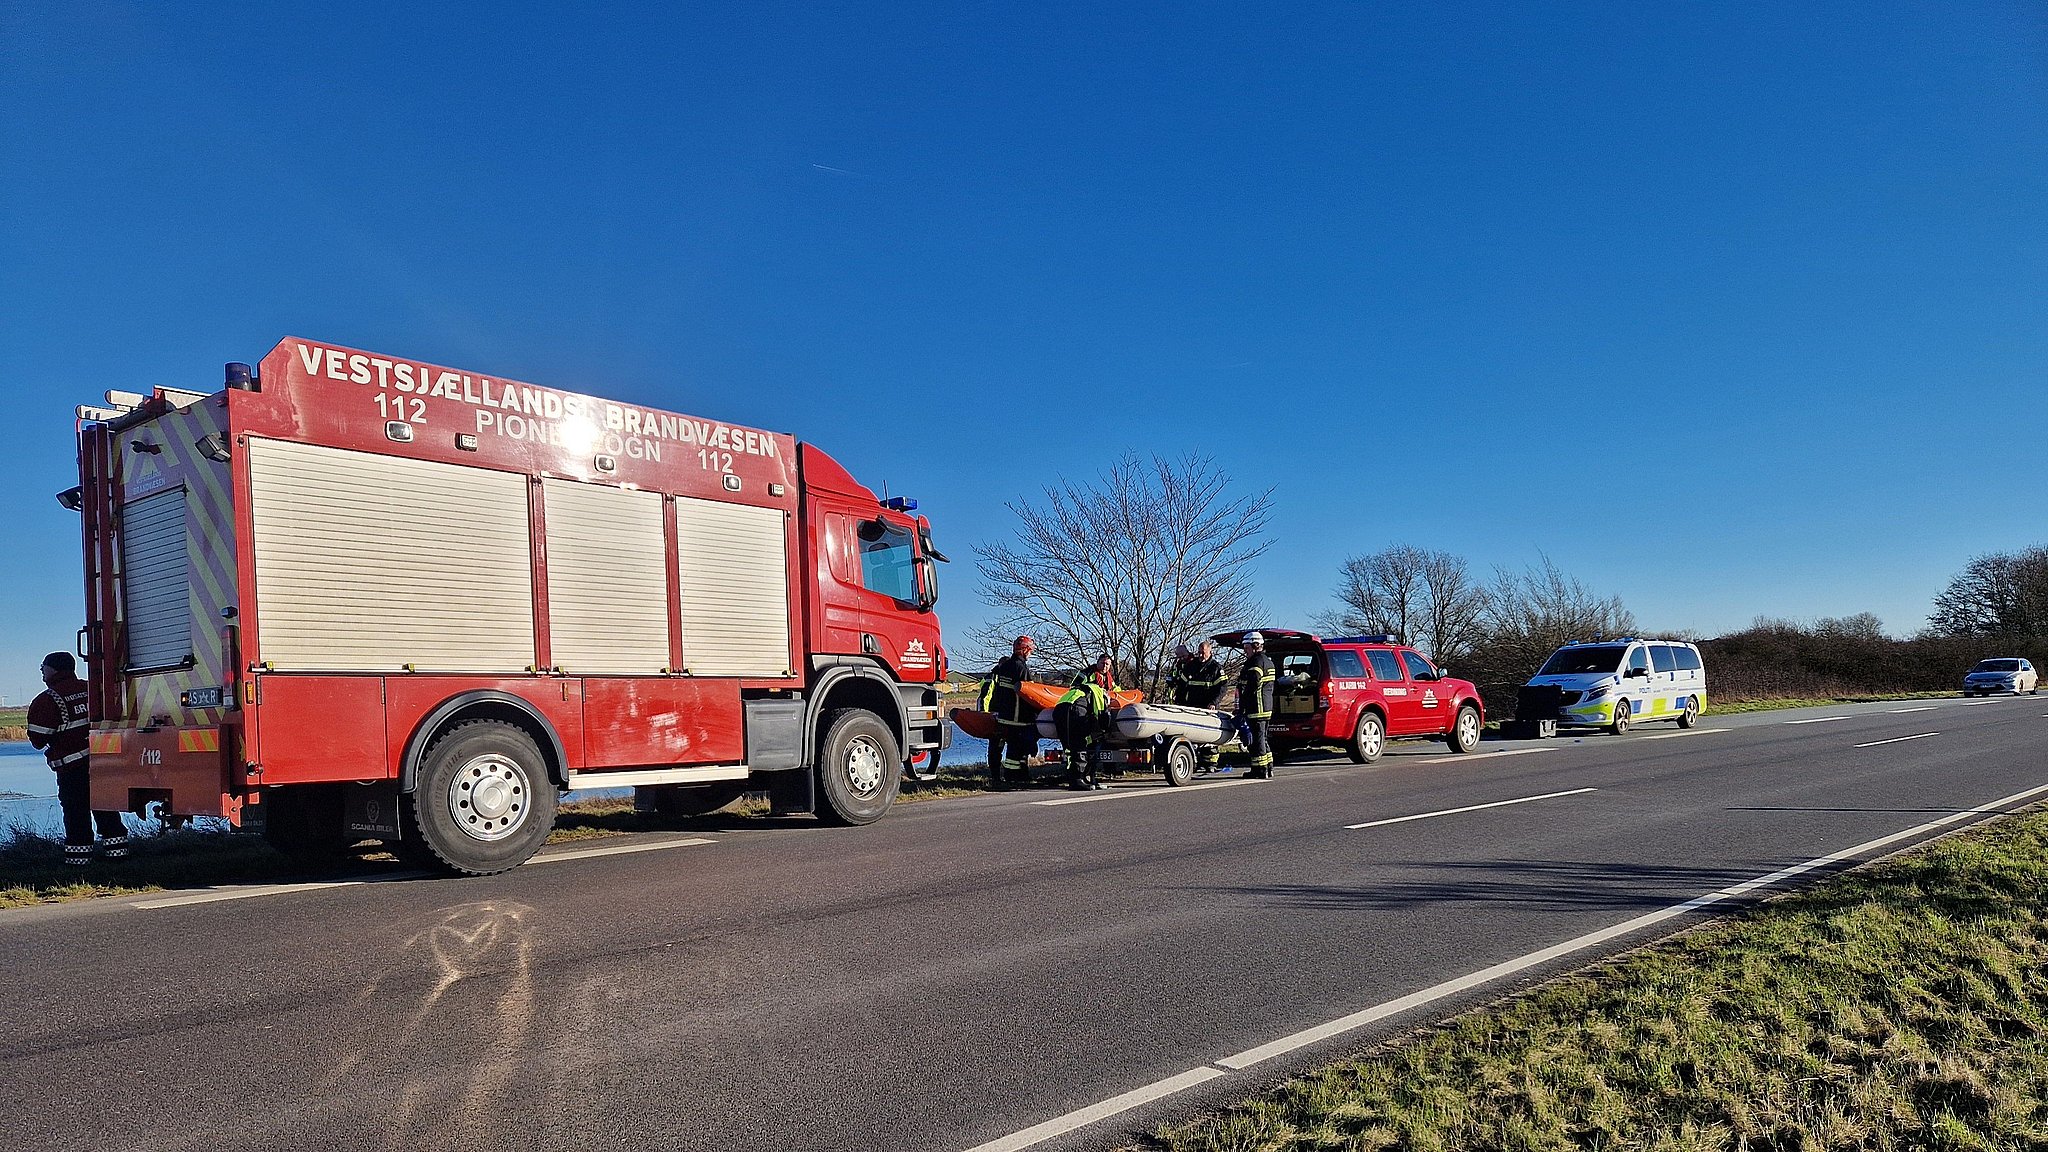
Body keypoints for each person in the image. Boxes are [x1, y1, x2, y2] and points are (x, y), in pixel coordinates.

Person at [27, 652, 127, 864]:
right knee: (106, 808)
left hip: (72, 767)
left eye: (43, 667)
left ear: (53, 669)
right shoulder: (93, 689)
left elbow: (37, 739)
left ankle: (79, 862)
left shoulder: (47, 700)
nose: (42, 672)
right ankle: (118, 856)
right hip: (102, 763)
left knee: (76, 814)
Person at [979, 636, 1038, 790]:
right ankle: (1015, 777)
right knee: (1016, 751)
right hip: (1017, 719)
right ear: (1025, 651)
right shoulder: (1021, 668)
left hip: (1002, 717)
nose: (1030, 654)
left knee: (997, 748)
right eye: (1030, 651)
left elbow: (994, 692)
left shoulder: (1002, 668)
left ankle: (998, 777)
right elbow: (1030, 694)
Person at [1172, 639, 1231, 769]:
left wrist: (1214, 703)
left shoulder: (1215, 668)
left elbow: (1222, 688)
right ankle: (1197, 761)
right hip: (1192, 707)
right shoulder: (1191, 666)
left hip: (1209, 708)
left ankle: (1211, 762)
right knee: (1194, 735)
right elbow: (1182, 686)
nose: (1200, 655)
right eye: (1199, 652)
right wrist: (1179, 703)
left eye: (1203, 652)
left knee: (1210, 737)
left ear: (1210, 651)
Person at [1053, 669, 1113, 790]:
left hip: (1060, 710)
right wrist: (1103, 729)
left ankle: (1083, 777)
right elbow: (1100, 713)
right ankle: (1077, 780)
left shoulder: (1081, 689)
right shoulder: (1098, 692)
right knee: (1079, 744)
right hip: (1074, 710)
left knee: (1069, 746)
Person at [1235, 632, 1277, 779]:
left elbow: (1252, 685)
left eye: (1246, 647)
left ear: (1255, 646)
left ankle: (1260, 770)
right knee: (1263, 739)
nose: (1244, 651)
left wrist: (1243, 706)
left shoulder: (1256, 662)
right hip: (1266, 707)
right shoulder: (1268, 661)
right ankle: (1268, 767)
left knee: (1256, 741)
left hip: (1256, 707)